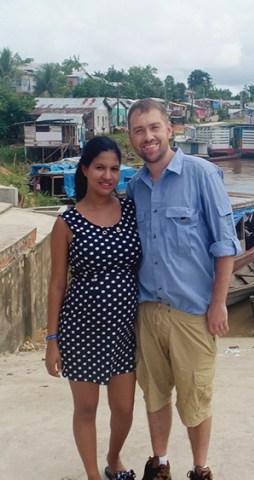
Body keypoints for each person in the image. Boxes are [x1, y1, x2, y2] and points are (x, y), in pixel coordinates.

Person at [126, 99, 242, 480]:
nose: (148, 137)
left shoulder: (202, 175)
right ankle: (159, 464)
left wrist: (219, 303)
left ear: (170, 130)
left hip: (192, 312)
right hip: (148, 312)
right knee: (155, 394)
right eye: (139, 130)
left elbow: (225, 245)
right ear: (131, 137)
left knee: (196, 399)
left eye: (154, 127)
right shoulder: (135, 187)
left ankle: (200, 468)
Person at [45, 136, 141, 480]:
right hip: (80, 330)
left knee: (125, 409)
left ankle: (113, 458)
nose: (108, 176)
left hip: (124, 331)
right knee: (86, 408)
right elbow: (57, 283)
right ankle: (93, 475)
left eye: (115, 169)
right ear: (84, 169)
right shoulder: (67, 223)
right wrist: (51, 340)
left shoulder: (131, 210)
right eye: (100, 167)